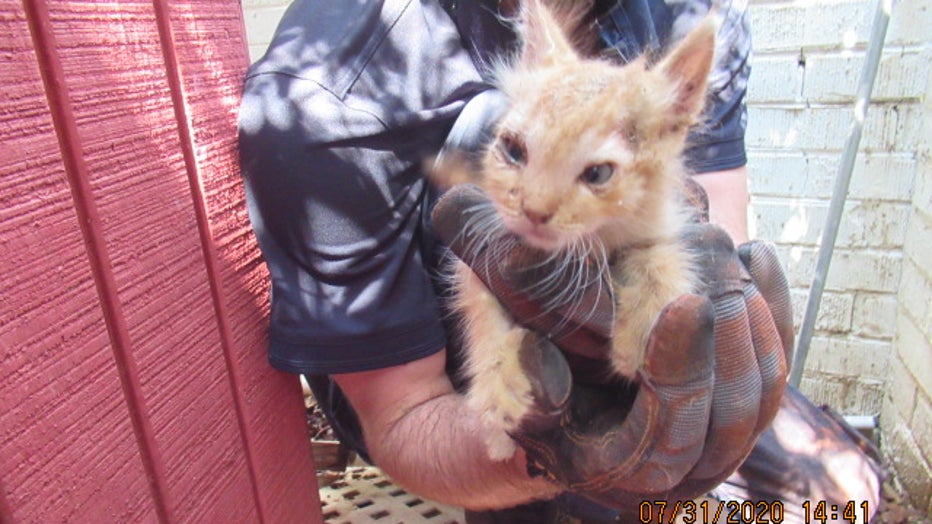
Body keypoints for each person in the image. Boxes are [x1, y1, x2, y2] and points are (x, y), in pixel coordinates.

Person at [237, 1, 882, 521]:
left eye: (596, 168)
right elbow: (403, 416)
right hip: (454, 396)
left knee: (845, 498)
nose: (539, 205)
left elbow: (714, 242)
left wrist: (716, 377)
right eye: (517, 151)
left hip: (634, 327)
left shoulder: (690, 20)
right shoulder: (322, 100)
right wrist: (551, 458)